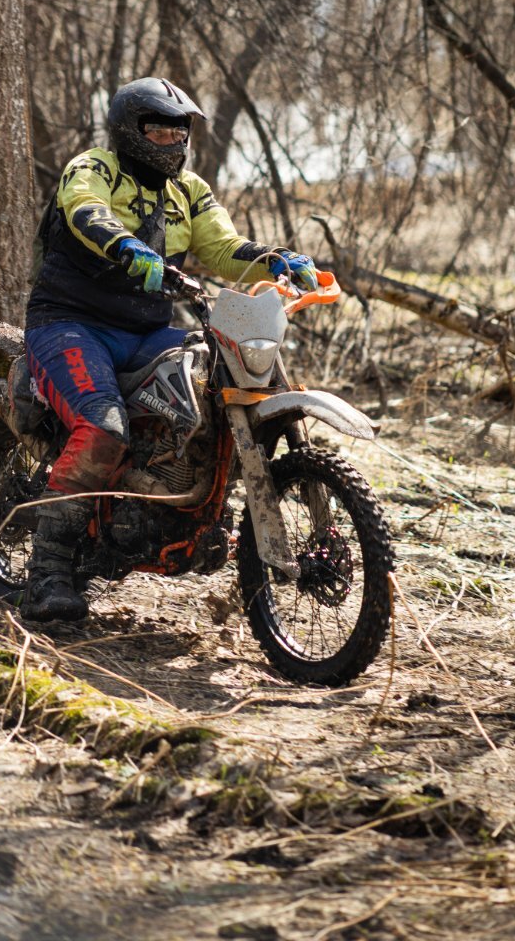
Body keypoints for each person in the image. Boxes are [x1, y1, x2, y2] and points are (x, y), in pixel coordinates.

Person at [22, 76, 318, 623]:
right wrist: (128, 248)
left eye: (179, 133)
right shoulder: (93, 168)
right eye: (158, 131)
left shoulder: (189, 190)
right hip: (69, 324)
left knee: (215, 389)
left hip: (146, 330)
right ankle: (48, 571)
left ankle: (185, 508)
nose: (171, 141)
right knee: (103, 427)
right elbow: (85, 210)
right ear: (128, 130)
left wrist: (276, 259)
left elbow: (223, 247)